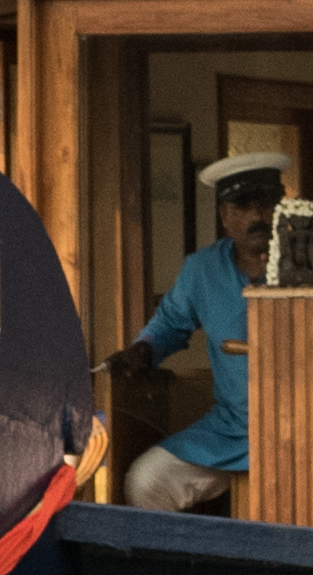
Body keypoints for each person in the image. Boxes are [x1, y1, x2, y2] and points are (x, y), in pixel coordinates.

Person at [110, 150, 288, 509]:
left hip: (311, 424)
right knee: (146, 482)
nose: (258, 216)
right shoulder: (202, 270)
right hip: (232, 431)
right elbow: (168, 324)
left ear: (282, 207)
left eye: (266, 204)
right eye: (243, 206)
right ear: (225, 216)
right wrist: (143, 350)